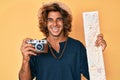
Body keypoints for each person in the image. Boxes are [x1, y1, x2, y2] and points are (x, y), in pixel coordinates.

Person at [19, 2, 107, 80]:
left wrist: (96, 53)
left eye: (59, 19)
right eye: (50, 20)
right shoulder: (36, 48)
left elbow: (94, 76)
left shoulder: (77, 47)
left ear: (64, 22)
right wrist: (25, 60)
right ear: (45, 23)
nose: (55, 24)